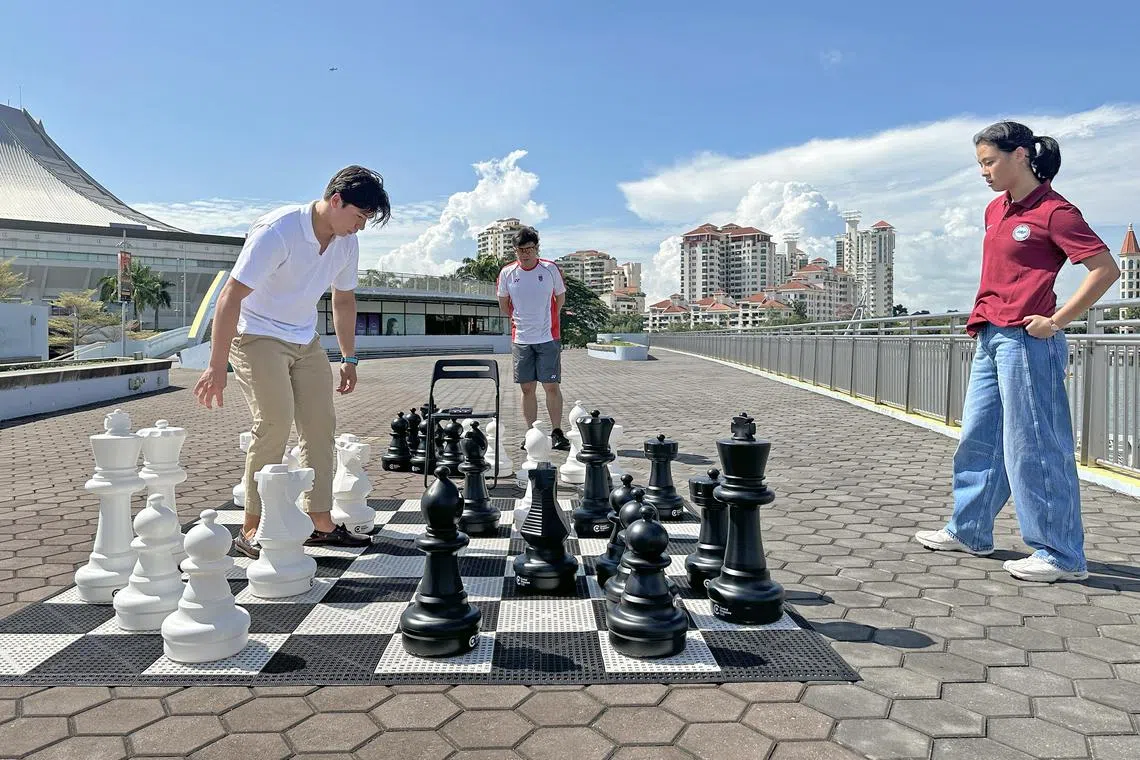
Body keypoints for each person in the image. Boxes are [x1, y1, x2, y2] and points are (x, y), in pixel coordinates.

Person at [915, 122, 1119, 582]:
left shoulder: (1055, 210)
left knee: (1035, 445)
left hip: (1029, 337)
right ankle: (969, 529)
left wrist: (1058, 320)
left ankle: (1061, 554)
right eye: (980, 164)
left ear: (1021, 155)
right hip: (990, 333)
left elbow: (1105, 269)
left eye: (990, 162)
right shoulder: (995, 209)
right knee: (980, 439)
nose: (983, 172)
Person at [193, 165, 392, 558]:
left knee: (320, 425)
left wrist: (349, 357)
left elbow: (344, 300)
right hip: (256, 335)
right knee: (274, 422)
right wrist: (216, 366)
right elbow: (230, 297)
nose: (361, 227)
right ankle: (252, 528)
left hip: (304, 338)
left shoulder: (346, 243)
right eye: (359, 216)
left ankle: (320, 520)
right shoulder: (278, 231)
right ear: (336, 201)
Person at [496, 226, 571, 451]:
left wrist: (550, 320)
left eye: (529, 249)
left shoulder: (549, 269)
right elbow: (503, 304)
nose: (525, 253)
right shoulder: (507, 273)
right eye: (521, 250)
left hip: (548, 336)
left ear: (536, 248)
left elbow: (560, 298)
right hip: (521, 339)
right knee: (527, 388)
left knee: (551, 385)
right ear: (515, 251)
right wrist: (521, 320)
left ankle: (557, 432)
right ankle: (531, 433)